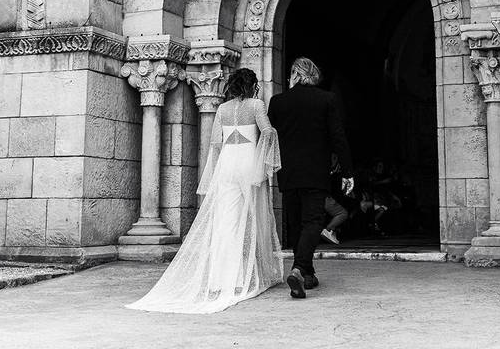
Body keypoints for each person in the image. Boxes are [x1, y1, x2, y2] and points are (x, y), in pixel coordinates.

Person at [126, 68, 282, 314]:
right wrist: (266, 159)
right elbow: (268, 131)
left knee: (226, 221)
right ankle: (248, 274)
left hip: (227, 165)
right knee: (254, 217)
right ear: (252, 85)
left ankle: (223, 278)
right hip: (248, 164)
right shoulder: (256, 105)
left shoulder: (222, 109)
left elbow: (216, 144)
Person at [268, 57, 354, 298]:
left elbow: (270, 139)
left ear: (296, 73)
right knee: (313, 221)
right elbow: (338, 136)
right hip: (315, 170)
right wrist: (347, 171)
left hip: (287, 171)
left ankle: (307, 274)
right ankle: (298, 269)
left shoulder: (277, 102)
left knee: (296, 223)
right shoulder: (327, 99)